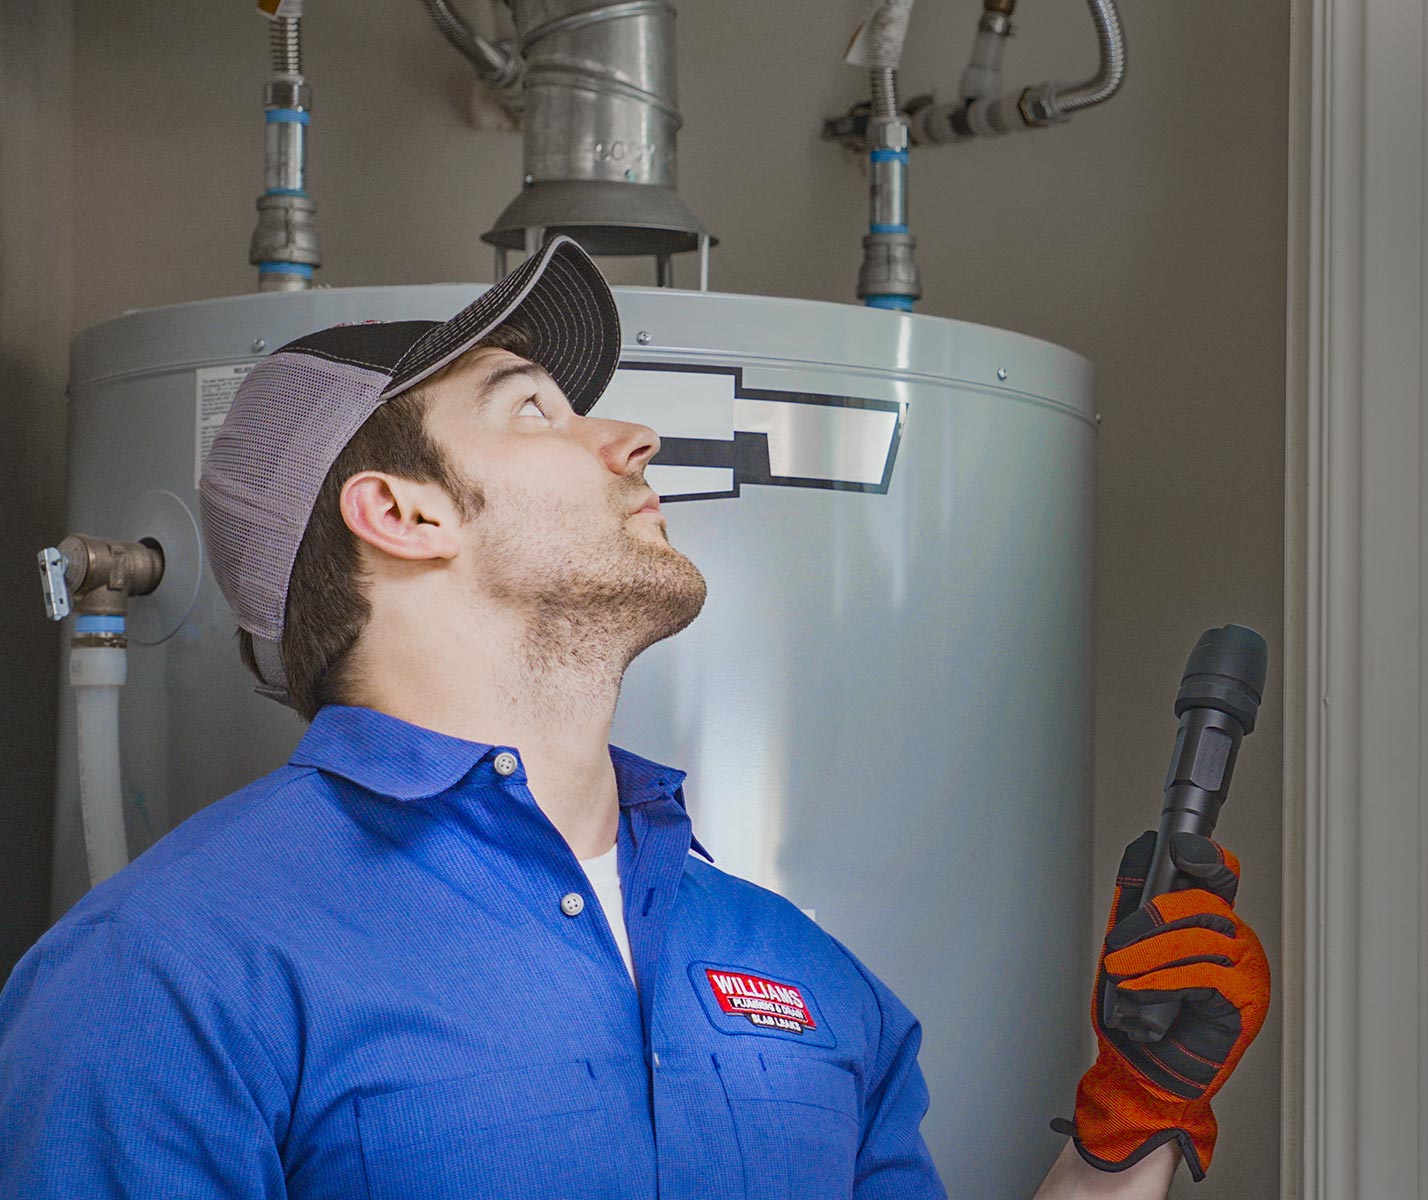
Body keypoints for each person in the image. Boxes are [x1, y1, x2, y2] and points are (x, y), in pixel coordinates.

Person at [0, 237, 1269, 1198]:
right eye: (534, 409)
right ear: (405, 514)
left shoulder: (805, 975)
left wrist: (1129, 1121)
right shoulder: (167, 971)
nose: (636, 438)